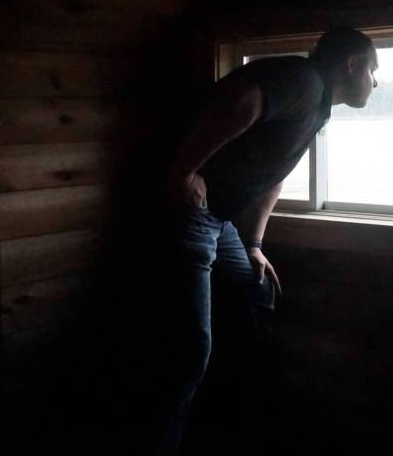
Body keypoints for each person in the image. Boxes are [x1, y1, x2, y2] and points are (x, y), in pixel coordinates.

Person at [151, 26, 378, 454]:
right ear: (351, 64)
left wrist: (254, 244)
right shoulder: (305, 80)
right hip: (192, 215)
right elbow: (243, 100)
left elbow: (273, 177)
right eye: (374, 69)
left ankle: (235, 415)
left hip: (220, 223)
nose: (376, 81)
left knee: (255, 290)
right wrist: (185, 171)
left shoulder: (319, 108)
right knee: (190, 347)